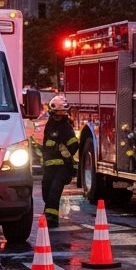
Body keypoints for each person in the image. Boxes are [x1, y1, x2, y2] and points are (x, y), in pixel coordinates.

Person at [39, 95, 79, 227]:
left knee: (54, 191)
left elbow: (73, 145)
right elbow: (46, 145)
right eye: (58, 113)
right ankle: (49, 212)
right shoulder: (49, 125)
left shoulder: (66, 127)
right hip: (49, 167)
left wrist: (62, 149)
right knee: (47, 191)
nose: (60, 116)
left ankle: (51, 219)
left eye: (63, 113)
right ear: (52, 112)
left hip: (63, 167)